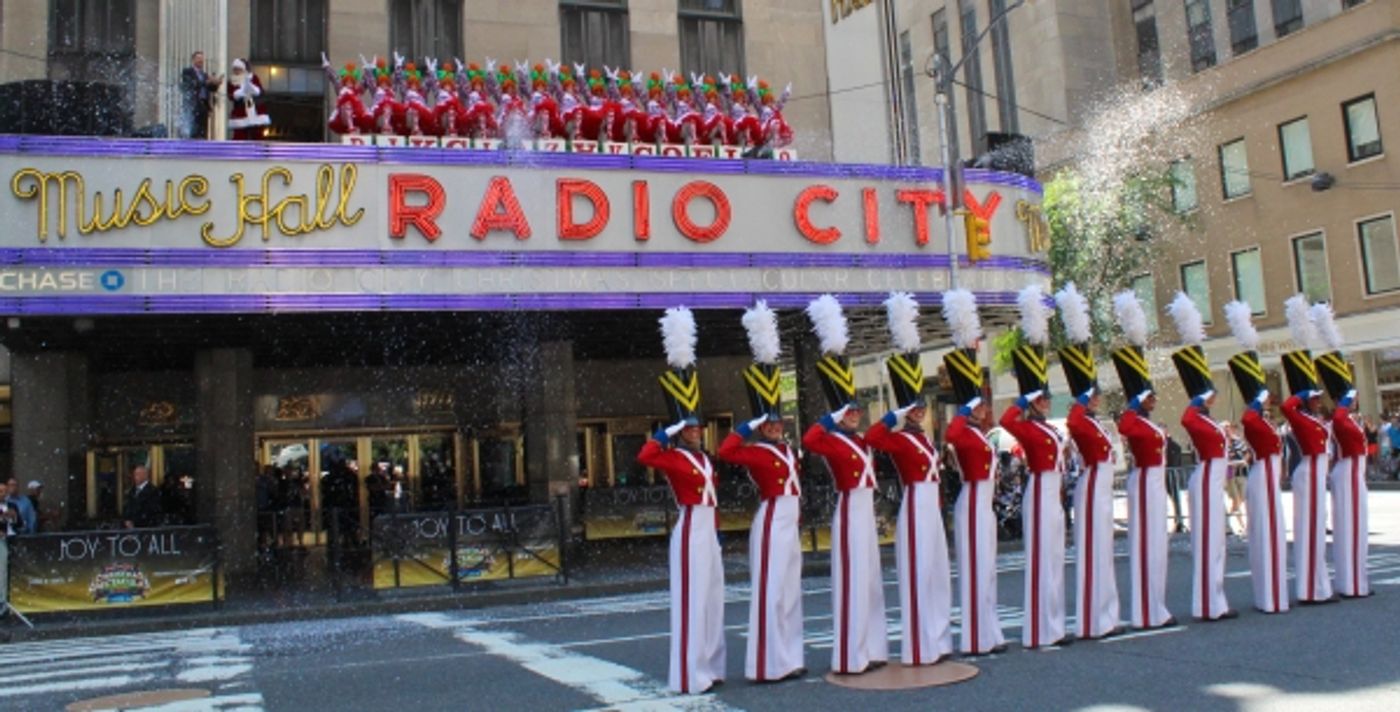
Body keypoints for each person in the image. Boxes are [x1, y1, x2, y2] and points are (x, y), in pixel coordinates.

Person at [640, 306, 724, 695]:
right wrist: (666, 430)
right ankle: (690, 675)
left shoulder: (705, 456)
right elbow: (645, 457)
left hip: (709, 528)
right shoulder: (672, 455)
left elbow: (714, 498)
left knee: (711, 599)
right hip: (689, 525)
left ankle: (710, 665)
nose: (694, 432)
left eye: (697, 426)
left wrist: (719, 533)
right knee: (692, 601)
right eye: (688, 427)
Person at [803, 296, 888, 674]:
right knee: (852, 581)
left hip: (866, 509)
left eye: (855, 411)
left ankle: (871, 647)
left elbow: (883, 437)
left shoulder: (860, 439)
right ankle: (851, 655)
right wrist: (829, 416)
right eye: (848, 412)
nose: (854, 416)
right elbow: (808, 440)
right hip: (849, 507)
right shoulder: (832, 437)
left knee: (869, 579)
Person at [716, 355, 804, 683]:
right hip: (771, 519)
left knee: (790, 590)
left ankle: (790, 658)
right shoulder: (754, 449)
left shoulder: (789, 450)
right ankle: (767, 664)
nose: (776, 428)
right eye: (770, 424)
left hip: (790, 519)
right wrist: (749, 425)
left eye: (778, 423)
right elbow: (726, 451)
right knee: (771, 592)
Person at [865, 349, 953, 666]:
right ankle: (919, 646)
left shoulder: (925, 438)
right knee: (918, 573)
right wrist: (894, 414)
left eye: (920, 408)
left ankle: (938, 639)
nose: (918, 413)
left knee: (937, 572)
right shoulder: (900, 438)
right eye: (912, 409)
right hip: (915, 503)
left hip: (931, 506)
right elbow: (872, 437)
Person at [940, 314, 1006, 656]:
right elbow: (950, 435)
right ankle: (975, 636)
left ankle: (989, 632)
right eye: (977, 405)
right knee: (974, 568)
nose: (982, 409)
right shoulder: (963, 430)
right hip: (972, 499)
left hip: (987, 502)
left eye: (982, 404)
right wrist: (963, 412)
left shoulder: (980, 433)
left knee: (988, 567)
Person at [1112, 291, 1176, 629]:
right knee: (1145, 545)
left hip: (1155, 480)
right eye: (1149, 396)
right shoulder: (1134, 419)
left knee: (1158, 544)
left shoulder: (1148, 422)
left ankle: (1156, 606)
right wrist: (1133, 405)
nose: (1154, 400)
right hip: (1143, 478)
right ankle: (1145, 610)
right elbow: (1123, 426)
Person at [1059, 322, 1121, 641]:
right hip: (1092, 484)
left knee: (1104, 550)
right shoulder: (1080, 420)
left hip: (1103, 488)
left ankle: (1107, 615)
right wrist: (1081, 398)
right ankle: (1091, 620)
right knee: (1092, 552)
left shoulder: (1095, 423)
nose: (1096, 399)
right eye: (1092, 396)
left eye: (1096, 395)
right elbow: (1072, 420)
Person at [1000, 368, 1070, 649]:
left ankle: (1054, 625)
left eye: (1045, 398)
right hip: (1040, 487)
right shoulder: (1026, 426)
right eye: (1039, 399)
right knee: (1042, 559)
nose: (1044, 402)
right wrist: (1023, 398)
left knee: (1054, 558)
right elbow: (1006, 419)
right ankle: (1040, 630)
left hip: (1054, 489)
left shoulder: (1048, 427)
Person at [1226, 330, 1290, 615]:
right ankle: (1269, 595)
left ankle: (1274, 594)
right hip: (1261, 473)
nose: (1268, 402)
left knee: (1273, 531)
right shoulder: (1253, 419)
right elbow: (1246, 418)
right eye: (1264, 399)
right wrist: (1254, 400)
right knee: (1265, 531)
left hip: (1270, 474)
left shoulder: (1265, 421)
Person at [1172, 341, 1235, 622]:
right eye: (1210, 395)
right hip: (1207, 476)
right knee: (1209, 543)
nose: (1214, 398)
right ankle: (1209, 603)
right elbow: (1186, 419)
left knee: (1217, 542)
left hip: (1214, 479)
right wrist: (1196, 399)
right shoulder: (1196, 417)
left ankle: (1216, 600)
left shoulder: (1211, 421)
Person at [1279, 339, 1334, 604]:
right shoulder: (1299, 416)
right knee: (1310, 530)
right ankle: (1313, 590)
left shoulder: (1314, 418)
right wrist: (1300, 393)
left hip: (1317, 472)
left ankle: (1319, 586)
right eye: (1313, 398)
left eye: (1317, 398)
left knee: (1317, 529)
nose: (1317, 401)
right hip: (1309, 470)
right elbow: (1285, 407)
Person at [1315, 346, 1371, 598]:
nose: (1355, 398)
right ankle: (1351, 584)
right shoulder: (1340, 417)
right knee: (1351, 528)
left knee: (1355, 528)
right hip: (1347, 470)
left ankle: (1355, 580)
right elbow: (1338, 419)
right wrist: (1345, 399)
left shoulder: (1347, 417)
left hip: (1353, 471)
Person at [181, 50, 222, 139]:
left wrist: (216, 83)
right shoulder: (187, 71)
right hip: (193, 104)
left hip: (203, 104)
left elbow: (211, 89)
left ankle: (203, 141)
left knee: (203, 129)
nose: (201, 61)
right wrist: (207, 81)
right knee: (194, 129)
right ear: (193, 59)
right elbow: (192, 84)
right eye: (198, 58)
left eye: (202, 59)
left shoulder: (204, 74)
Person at [227, 58, 271, 140]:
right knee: (239, 134)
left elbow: (259, 91)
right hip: (240, 110)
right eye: (235, 69)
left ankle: (258, 151)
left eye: (238, 69)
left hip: (256, 109)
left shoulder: (253, 78)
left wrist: (250, 87)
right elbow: (231, 95)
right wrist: (240, 93)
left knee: (257, 133)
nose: (236, 71)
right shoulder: (231, 81)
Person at [1224, 421, 1250, 535]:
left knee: (1243, 498)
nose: (1227, 430)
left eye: (1228, 427)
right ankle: (1242, 525)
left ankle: (1227, 518)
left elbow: (1247, 452)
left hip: (1241, 472)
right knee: (1236, 499)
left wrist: (1244, 460)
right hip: (1229, 473)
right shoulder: (1222, 442)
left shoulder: (1237, 440)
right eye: (1224, 428)